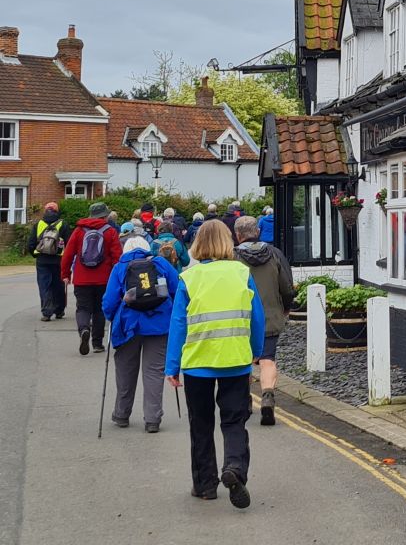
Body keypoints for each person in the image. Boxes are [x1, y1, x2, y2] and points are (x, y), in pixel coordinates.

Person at [166, 219, 264, 508]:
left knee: (201, 423)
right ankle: (234, 468)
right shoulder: (242, 273)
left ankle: (206, 485)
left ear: (198, 245)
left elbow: (178, 326)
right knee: (234, 421)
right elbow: (256, 317)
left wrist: (173, 366)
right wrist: (255, 351)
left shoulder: (189, 278)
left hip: (197, 363)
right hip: (235, 359)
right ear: (227, 241)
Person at [103, 234, 180, 432]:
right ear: (147, 248)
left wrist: (111, 316)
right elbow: (177, 290)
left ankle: (121, 414)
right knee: (153, 372)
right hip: (159, 325)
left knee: (125, 370)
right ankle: (153, 419)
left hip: (129, 326)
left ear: (126, 249)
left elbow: (110, 301)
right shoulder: (160, 263)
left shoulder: (120, 267)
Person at [233, 216, 293, 426]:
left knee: (244, 360)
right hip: (269, 316)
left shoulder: (232, 257)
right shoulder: (274, 254)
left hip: (241, 318)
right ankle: (267, 395)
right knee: (267, 359)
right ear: (257, 232)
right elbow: (286, 285)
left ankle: (246, 399)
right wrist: (285, 307)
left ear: (238, 235)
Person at [61, 201, 123, 354]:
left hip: (82, 279)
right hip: (104, 279)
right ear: (105, 215)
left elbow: (68, 254)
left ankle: (83, 329)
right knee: (99, 310)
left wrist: (65, 274)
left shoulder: (79, 230)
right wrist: (119, 278)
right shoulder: (110, 231)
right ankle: (97, 343)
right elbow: (117, 257)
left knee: (82, 308)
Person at [27, 201, 72, 320]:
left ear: (45, 211)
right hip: (59, 260)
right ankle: (59, 311)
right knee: (58, 285)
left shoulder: (38, 224)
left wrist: (36, 255)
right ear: (57, 211)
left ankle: (47, 313)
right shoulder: (63, 224)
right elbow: (70, 244)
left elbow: (31, 244)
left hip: (42, 260)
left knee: (44, 286)